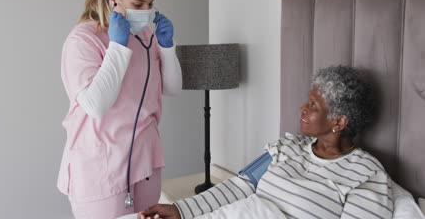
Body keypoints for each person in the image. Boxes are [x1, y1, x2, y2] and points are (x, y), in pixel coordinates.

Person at [139, 65, 393, 219]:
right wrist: (180, 211)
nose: (302, 108)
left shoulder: (365, 173)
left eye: (313, 105)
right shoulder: (287, 148)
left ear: (339, 121)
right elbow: (240, 186)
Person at [57, 0, 182, 219]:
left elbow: (172, 88)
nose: (146, 11)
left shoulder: (147, 38)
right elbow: (96, 105)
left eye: (150, 4)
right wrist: (117, 46)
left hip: (145, 161)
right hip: (100, 167)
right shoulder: (83, 39)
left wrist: (167, 48)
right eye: (138, 4)